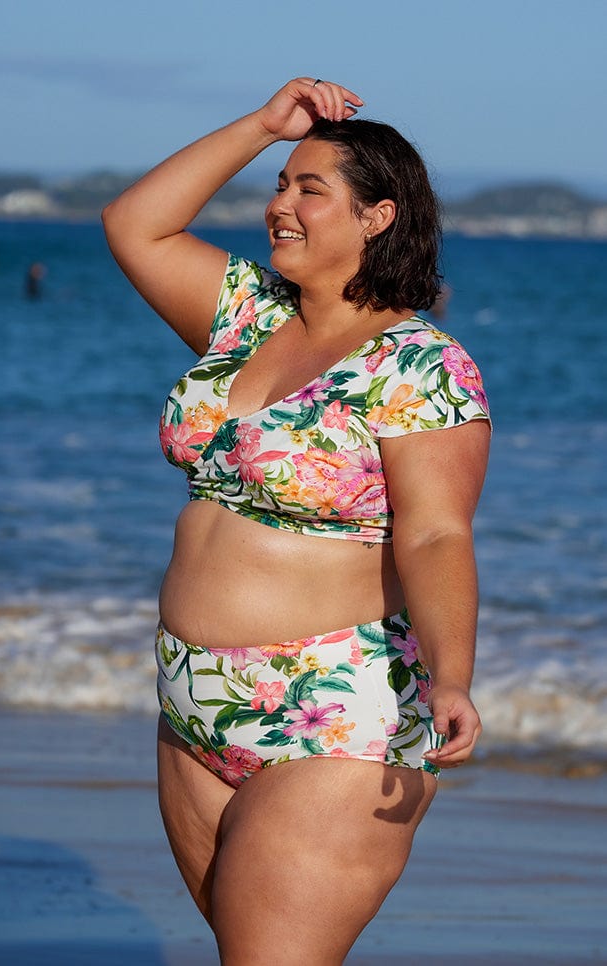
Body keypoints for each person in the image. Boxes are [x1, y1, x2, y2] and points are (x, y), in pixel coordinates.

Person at [102, 77, 491, 965]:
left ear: (378, 217)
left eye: (310, 188)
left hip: (336, 711)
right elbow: (135, 225)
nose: (280, 204)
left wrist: (456, 676)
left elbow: (436, 535)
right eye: (279, 184)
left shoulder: (423, 366)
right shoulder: (245, 319)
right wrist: (264, 126)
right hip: (192, 705)